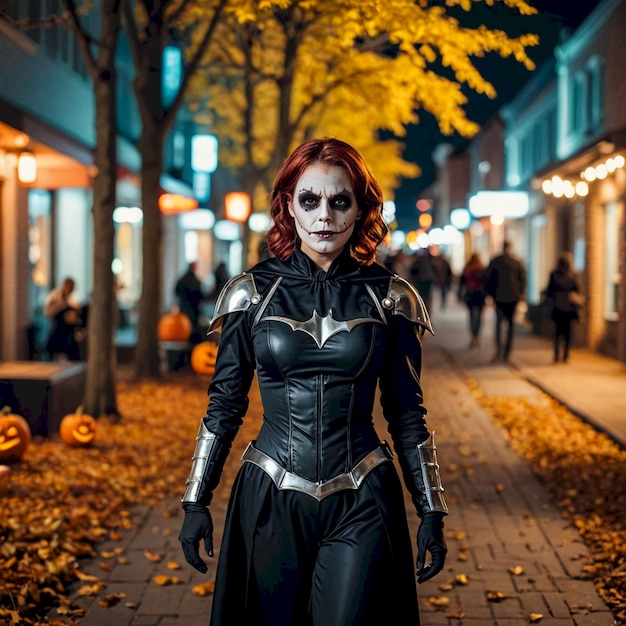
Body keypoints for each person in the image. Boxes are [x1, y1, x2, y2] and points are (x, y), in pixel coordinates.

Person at [178, 138, 448, 626]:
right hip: (271, 492)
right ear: (288, 206)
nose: (325, 215)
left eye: (339, 201)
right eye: (311, 200)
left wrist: (431, 508)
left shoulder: (390, 299)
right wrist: (197, 498)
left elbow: (407, 411)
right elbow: (225, 403)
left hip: (362, 494)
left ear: (361, 208)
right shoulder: (251, 294)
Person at [484, 240, 527, 362]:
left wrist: (490, 295)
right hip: (513, 297)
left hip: (499, 296)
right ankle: (508, 350)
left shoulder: (496, 261)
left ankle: (499, 348)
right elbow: (522, 280)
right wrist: (520, 295)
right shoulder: (516, 262)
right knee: (511, 324)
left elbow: (488, 279)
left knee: (498, 322)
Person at [544, 251, 581, 363]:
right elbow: (577, 290)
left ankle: (556, 355)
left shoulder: (554, 274)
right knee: (568, 332)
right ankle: (565, 355)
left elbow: (549, 291)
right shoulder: (572, 276)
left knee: (557, 332)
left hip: (557, 307)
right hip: (568, 308)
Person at [44, 277, 82, 361]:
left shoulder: (71, 299)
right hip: (57, 328)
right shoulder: (55, 297)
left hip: (67, 331)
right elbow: (49, 312)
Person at [457, 252, 487, 349]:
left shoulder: (467, 269)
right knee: (478, 317)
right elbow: (486, 283)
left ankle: (474, 336)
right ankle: (476, 336)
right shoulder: (481, 269)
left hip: (470, 294)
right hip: (479, 295)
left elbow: (461, 283)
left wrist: (459, 295)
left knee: (471, 316)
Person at [175, 261, 205, 344]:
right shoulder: (193, 280)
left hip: (186, 306)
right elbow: (199, 293)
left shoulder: (184, 278)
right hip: (191, 307)